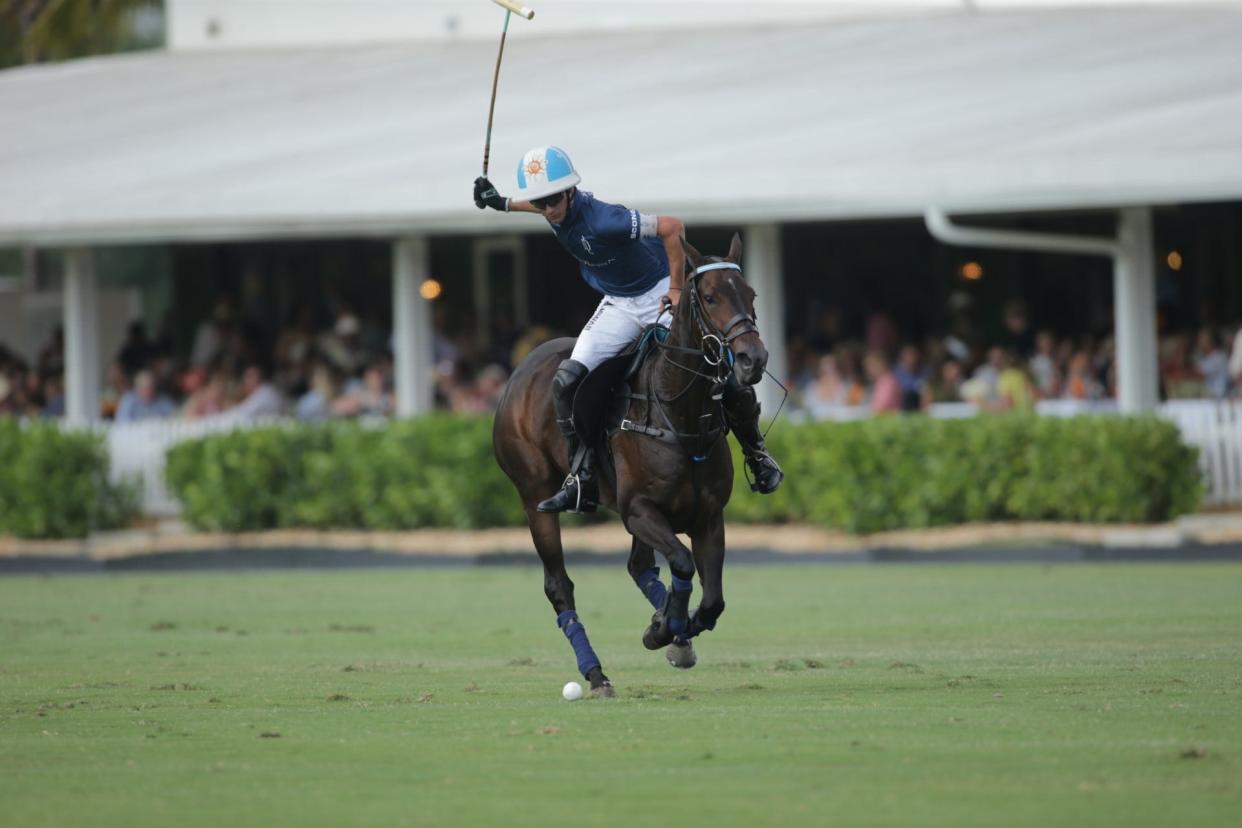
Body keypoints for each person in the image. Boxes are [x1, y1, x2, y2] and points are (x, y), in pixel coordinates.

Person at [474, 146, 783, 512]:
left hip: (658, 291)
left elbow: (672, 227)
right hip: (618, 302)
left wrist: (675, 289)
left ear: (571, 191)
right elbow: (541, 203)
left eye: (554, 199)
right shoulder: (553, 209)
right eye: (541, 203)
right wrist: (504, 203)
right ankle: (581, 475)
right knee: (567, 378)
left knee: (720, 368)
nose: (549, 210)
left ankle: (757, 454)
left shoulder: (606, 220)